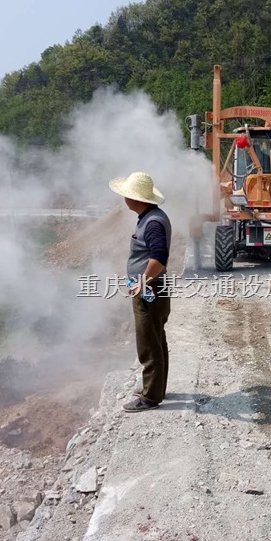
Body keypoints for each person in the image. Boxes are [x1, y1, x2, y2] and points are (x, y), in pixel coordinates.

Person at [109, 172, 172, 412]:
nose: (124, 198)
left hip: (150, 290)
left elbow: (159, 257)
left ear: (137, 199)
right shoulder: (150, 217)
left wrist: (144, 280)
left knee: (148, 343)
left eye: (127, 194)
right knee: (157, 339)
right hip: (153, 287)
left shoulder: (153, 222)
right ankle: (156, 387)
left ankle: (150, 397)